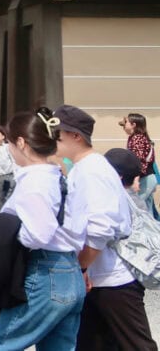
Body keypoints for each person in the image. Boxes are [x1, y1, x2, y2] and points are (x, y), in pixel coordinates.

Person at [53, 105, 157, 350]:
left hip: (114, 279)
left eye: (58, 134)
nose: (53, 139)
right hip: (101, 278)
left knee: (136, 345)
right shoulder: (88, 168)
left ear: (75, 136)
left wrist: (80, 266)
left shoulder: (92, 170)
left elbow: (101, 229)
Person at [0, 110, 87, 350]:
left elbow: (38, 235)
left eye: (9, 142)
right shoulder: (61, 176)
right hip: (70, 268)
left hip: (45, 271)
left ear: (21, 142)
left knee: (2, 344)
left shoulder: (34, 181)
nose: (8, 147)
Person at [122, 113, 158, 219]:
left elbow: (138, 162)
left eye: (126, 123)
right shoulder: (136, 138)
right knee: (147, 210)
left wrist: (135, 181)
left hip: (144, 179)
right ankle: (154, 234)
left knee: (138, 209)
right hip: (148, 178)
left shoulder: (137, 139)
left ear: (133, 124)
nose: (123, 126)